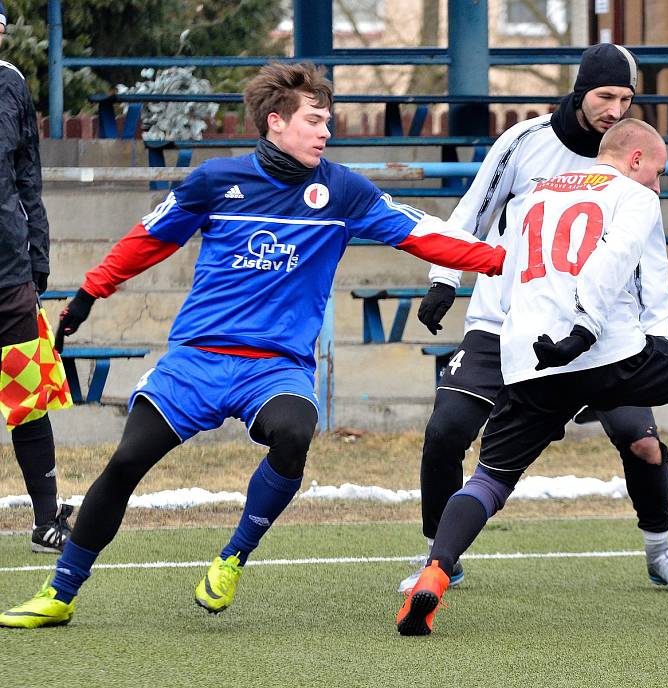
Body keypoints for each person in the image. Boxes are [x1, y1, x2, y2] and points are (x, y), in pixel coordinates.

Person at [0, 62, 507, 629]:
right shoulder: (215, 180)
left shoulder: (343, 191)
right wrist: (91, 293)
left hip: (276, 368)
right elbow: (147, 240)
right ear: (275, 122)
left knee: (293, 435)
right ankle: (60, 593)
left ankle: (232, 557)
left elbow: (428, 235)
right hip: (197, 359)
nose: (326, 132)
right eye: (314, 120)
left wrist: (510, 261)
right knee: (125, 462)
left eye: (328, 121)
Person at [396, 119, 668, 636]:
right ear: (634, 160)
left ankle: (436, 570)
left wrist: (449, 284)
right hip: (605, 350)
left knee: (490, 479)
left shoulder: (532, 195)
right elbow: (611, 260)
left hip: (528, 362)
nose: (659, 182)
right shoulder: (635, 197)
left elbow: (506, 264)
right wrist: (584, 328)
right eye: (659, 169)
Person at [0, 1, 73, 554]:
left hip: (10, 275)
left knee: (27, 393)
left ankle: (46, 520)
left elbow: (29, 176)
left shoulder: (12, 86)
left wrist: (38, 253)